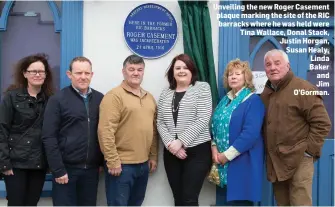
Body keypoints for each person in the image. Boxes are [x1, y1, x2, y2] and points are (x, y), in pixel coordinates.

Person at [261, 49, 331, 206]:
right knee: (283, 204)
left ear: (288, 65)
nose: (272, 67)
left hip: (299, 159)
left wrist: (308, 152)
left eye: (277, 63)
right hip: (276, 162)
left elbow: (323, 123)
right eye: (268, 64)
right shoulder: (266, 93)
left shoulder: (304, 88)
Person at [42, 56, 104, 206]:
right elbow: (49, 137)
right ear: (69, 74)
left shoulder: (100, 98)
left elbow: (103, 132)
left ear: (92, 74)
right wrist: (58, 170)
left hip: (91, 171)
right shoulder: (57, 100)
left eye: (87, 73)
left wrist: (101, 161)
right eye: (78, 73)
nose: (83, 77)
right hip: (66, 170)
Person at [98, 54, 158, 206]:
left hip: (143, 165)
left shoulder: (149, 97)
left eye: (139, 69)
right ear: (123, 72)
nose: (136, 73)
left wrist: (153, 156)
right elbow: (105, 131)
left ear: (143, 72)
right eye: (131, 69)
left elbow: (153, 130)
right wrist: (112, 161)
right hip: (121, 166)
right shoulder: (114, 96)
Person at [157, 54, 212, 206]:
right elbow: (160, 122)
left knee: (189, 198)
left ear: (192, 70)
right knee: (178, 198)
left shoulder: (202, 88)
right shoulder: (165, 93)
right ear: (172, 71)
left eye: (185, 67)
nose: (181, 71)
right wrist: (171, 145)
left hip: (197, 151)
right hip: (171, 152)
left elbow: (203, 118)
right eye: (178, 68)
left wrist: (181, 142)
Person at [0, 53, 55, 206]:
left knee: (32, 203)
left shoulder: (51, 99)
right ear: (25, 73)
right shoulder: (11, 97)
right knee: (16, 203)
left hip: (39, 164)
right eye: (33, 71)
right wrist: (4, 163)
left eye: (41, 71)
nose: (37, 74)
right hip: (15, 164)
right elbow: (1, 130)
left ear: (46, 75)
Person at [211, 59, 265, 206]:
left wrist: (226, 156)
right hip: (223, 163)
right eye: (230, 74)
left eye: (238, 73)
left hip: (243, 162)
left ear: (246, 77)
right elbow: (214, 126)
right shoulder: (224, 101)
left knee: (241, 202)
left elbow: (250, 134)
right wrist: (214, 147)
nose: (233, 77)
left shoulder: (253, 101)